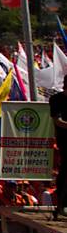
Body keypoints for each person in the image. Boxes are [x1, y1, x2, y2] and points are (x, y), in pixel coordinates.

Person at [50, 74, 67, 215]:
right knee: (65, 171)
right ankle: (61, 204)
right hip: (64, 140)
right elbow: (57, 120)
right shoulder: (56, 100)